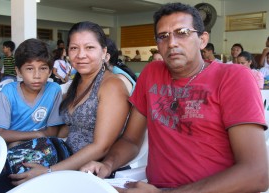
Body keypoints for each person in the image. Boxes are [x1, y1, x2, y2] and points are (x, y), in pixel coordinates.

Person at [81, 2, 268, 193]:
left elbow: (257, 174)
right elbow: (130, 140)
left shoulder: (233, 77)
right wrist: (107, 165)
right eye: (163, 36)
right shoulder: (152, 73)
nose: (172, 43)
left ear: (202, 40)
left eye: (183, 32)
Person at [8, 21, 131, 187]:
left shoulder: (111, 86)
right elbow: (64, 129)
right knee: (9, 162)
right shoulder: (79, 81)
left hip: (88, 170)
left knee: (11, 181)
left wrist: (48, 171)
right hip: (63, 155)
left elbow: (101, 147)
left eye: (89, 48)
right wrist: (30, 143)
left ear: (104, 52)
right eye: (74, 48)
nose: (80, 55)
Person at [0, 38, 64, 192]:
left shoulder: (54, 90)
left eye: (43, 68)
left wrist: (18, 137)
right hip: (11, 149)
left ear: (50, 71)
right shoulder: (9, 92)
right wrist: (37, 133)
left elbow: (52, 132)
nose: (37, 75)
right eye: (30, 69)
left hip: (42, 148)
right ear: (18, 71)